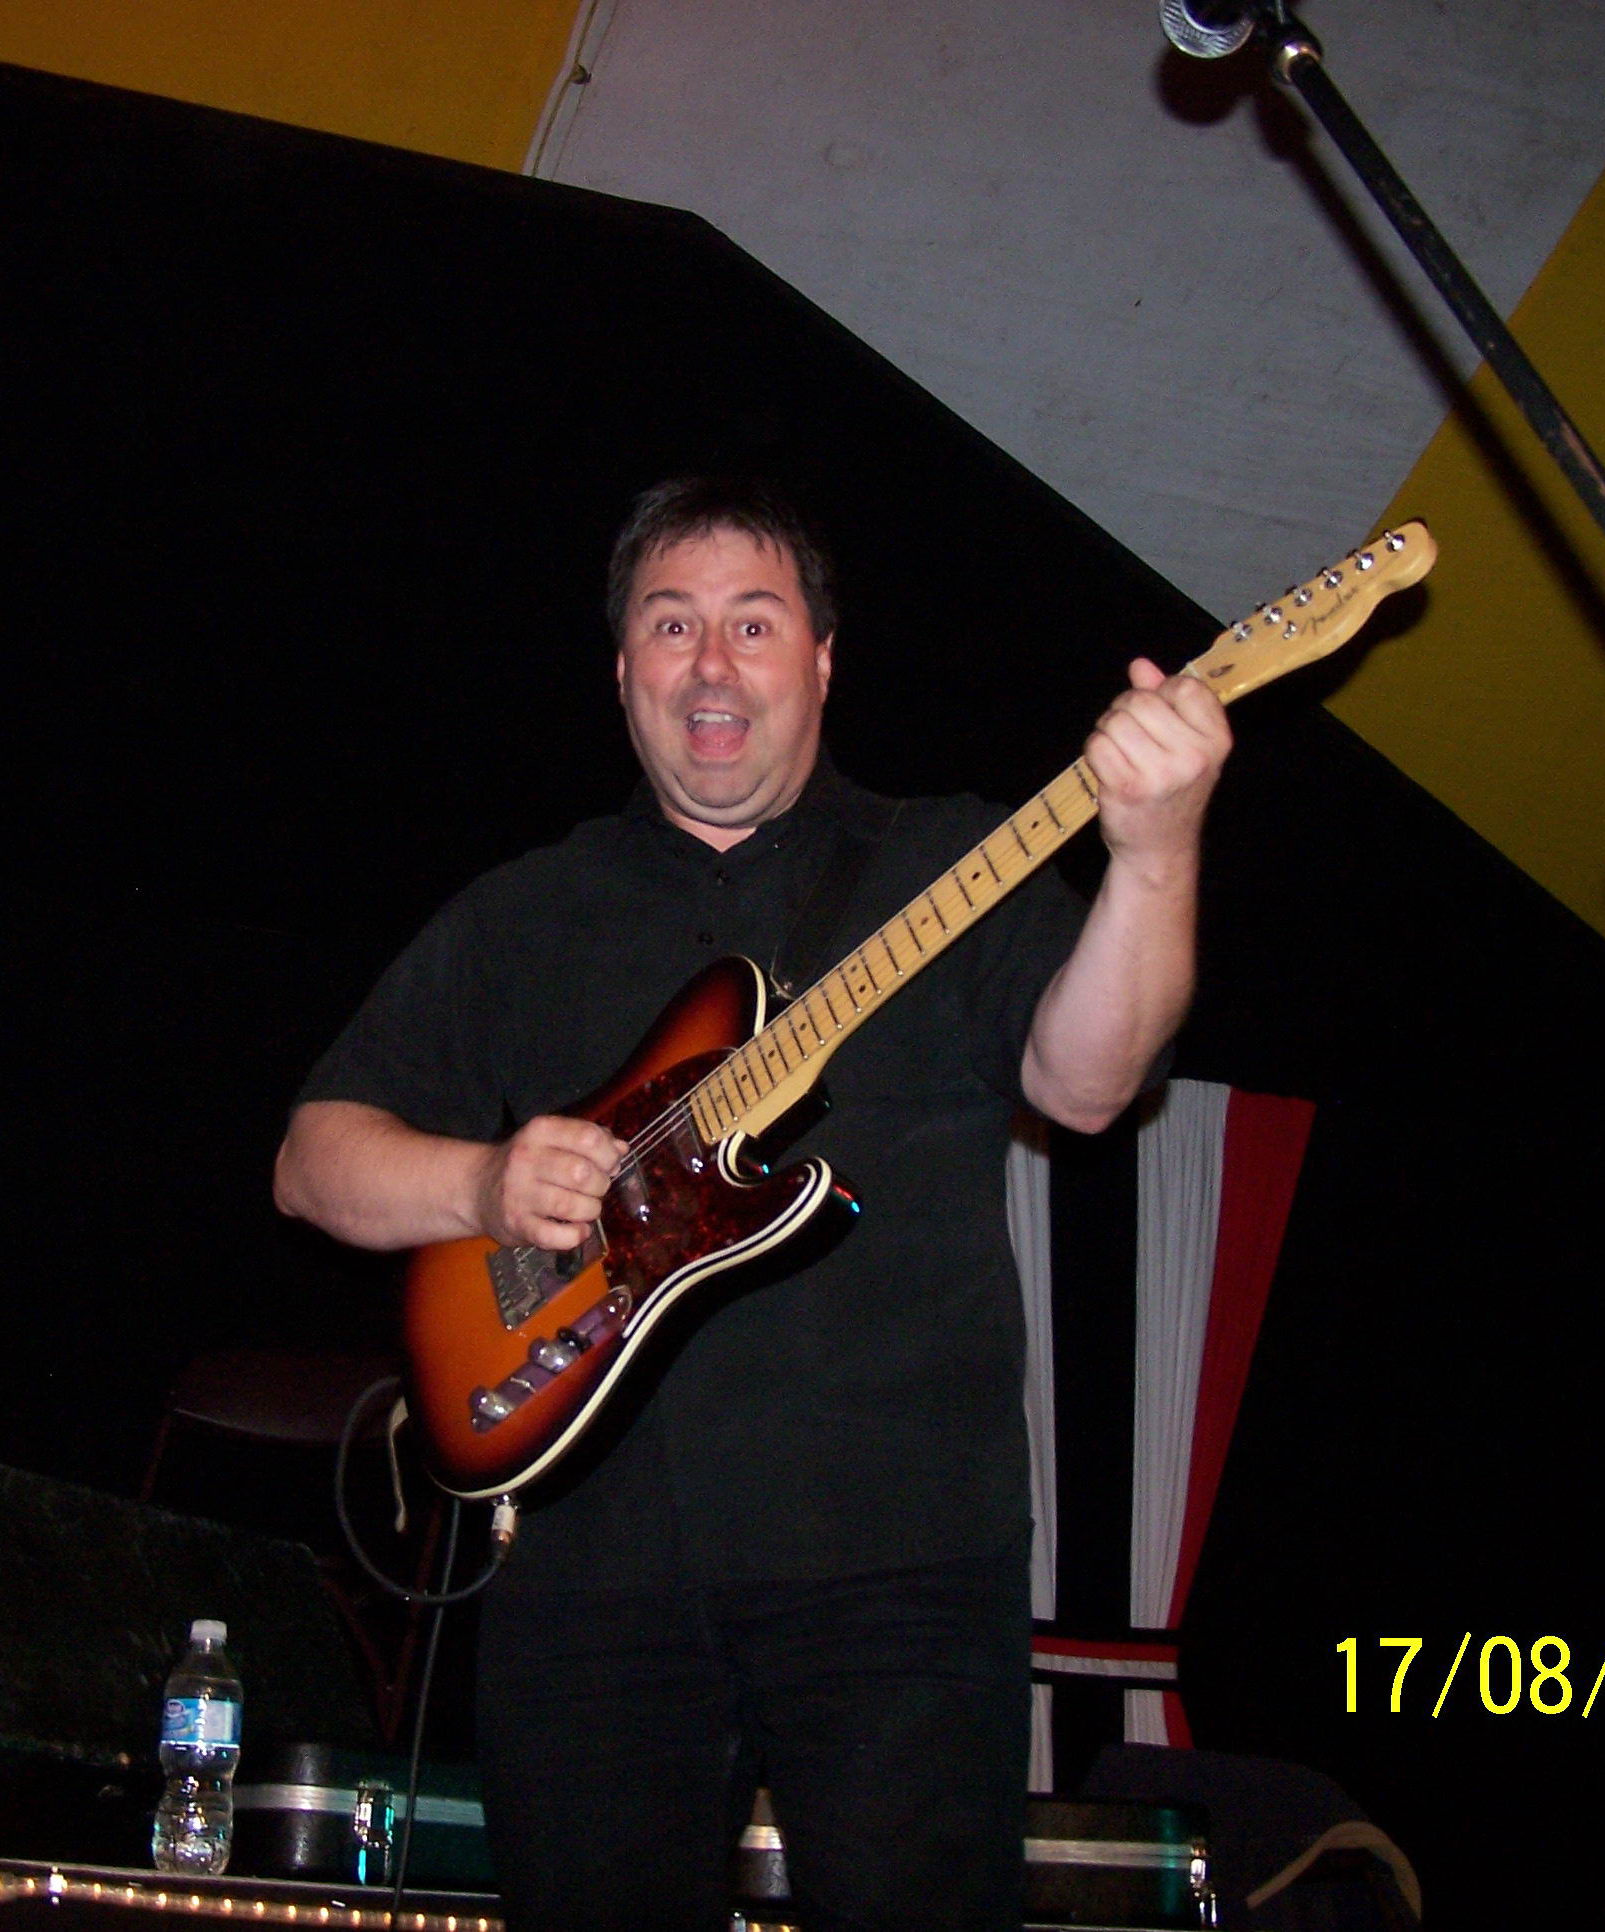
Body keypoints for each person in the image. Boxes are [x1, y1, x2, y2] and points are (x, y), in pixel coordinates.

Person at [274, 477, 1229, 1930]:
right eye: (672, 626)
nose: (711, 664)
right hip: (585, 1591)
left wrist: (1155, 854)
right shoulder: (524, 913)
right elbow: (312, 1159)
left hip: (903, 1573)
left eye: (754, 623)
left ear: (824, 662)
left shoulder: (948, 861)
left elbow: (1089, 1083)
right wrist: (478, 1180)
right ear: (623, 672)